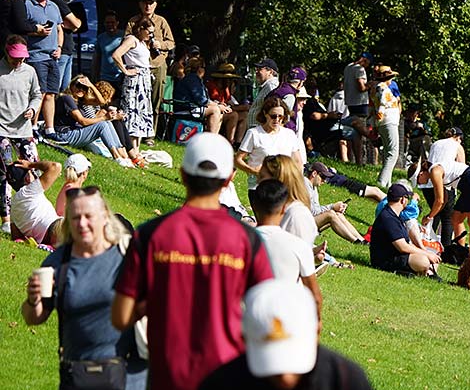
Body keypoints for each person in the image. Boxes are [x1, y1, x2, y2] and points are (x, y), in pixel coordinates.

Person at [111, 133, 274, 390]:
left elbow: (120, 317)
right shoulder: (247, 240)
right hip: (228, 374)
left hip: (167, 375)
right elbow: (269, 314)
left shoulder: (151, 234)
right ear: (229, 179)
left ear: (182, 175)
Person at [22, 186, 148, 389]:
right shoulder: (58, 263)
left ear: (105, 216)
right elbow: (34, 317)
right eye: (75, 218)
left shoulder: (128, 255)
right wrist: (32, 299)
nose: (82, 224)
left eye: (89, 216)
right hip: (79, 375)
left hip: (130, 375)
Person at [199, 280, 373, 390]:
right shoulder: (222, 383)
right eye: (270, 360)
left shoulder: (345, 379)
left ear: (317, 332)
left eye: (293, 357)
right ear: (244, 340)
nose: (285, 377)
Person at [250, 179, 323, 316]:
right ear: (284, 208)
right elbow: (315, 296)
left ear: (254, 204)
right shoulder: (298, 246)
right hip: (286, 320)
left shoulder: (239, 241)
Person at [420, 128, 470, 253]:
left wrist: (429, 216)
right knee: (455, 218)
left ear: (422, 172)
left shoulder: (435, 170)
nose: (419, 183)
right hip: (465, 186)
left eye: (418, 179)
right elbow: (442, 201)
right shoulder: (435, 171)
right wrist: (431, 216)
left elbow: (439, 200)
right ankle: (460, 251)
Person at [0, 37, 43, 234]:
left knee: (35, 169)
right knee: (6, 172)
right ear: (7, 53)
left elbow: (37, 94)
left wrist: (33, 110)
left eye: (22, 58)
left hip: (23, 129)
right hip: (1, 130)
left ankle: (36, 213)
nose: (19, 62)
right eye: (15, 58)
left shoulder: (29, 71)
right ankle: (7, 220)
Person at [236, 97, 304, 204]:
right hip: (259, 187)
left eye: (280, 116)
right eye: (273, 116)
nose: (277, 120)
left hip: (284, 187)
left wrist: (297, 183)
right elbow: (238, 160)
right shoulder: (254, 133)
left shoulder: (289, 134)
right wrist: (253, 171)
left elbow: (298, 162)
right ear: (265, 114)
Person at [124, 0, 173, 138]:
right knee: (135, 100)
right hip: (138, 66)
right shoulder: (133, 21)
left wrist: (160, 44)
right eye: (145, 2)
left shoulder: (161, 21)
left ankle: (150, 134)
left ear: (155, 5)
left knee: (155, 100)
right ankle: (133, 132)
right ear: (140, 4)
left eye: (151, 3)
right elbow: (125, 40)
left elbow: (171, 43)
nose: (148, 5)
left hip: (157, 65)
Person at [63, 74, 137, 166]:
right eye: (78, 86)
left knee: (108, 122)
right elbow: (83, 121)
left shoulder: (80, 100)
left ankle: (122, 155)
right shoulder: (67, 98)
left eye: (84, 87)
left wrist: (90, 85)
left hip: (77, 133)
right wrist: (103, 117)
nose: (80, 89)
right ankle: (118, 157)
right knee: (103, 124)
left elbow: (101, 102)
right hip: (66, 135)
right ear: (72, 85)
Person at [370, 183, 440, 277]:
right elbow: (402, 247)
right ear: (403, 200)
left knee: (430, 258)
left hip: (396, 255)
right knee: (423, 261)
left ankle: (425, 272)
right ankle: (419, 271)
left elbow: (406, 243)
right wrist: (426, 254)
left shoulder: (394, 215)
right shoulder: (388, 218)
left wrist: (426, 253)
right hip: (385, 260)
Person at [23, 0, 62, 136]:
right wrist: (36, 31)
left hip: (53, 56)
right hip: (35, 56)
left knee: (51, 93)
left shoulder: (54, 6)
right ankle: (32, 127)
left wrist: (59, 47)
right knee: (40, 92)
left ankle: (49, 128)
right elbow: (21, 28)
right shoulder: (27, 5)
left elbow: (60, 29)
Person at [111, 17, 154, 149]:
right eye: (149, 31)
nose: (151, 35)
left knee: (141, 114)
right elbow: (116, 55)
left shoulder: (142, 43)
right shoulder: (131, 39)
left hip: (144, 82)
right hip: (135, 82)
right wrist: (125, 70)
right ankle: (129, 147)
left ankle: (136, 149)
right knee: (132, 112)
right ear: (141, 29)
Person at [303, 162, 367, 244]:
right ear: (314, 174)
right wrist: (332, 207)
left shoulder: (313, 187)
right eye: (323, 177)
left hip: (309, 221)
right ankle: (355, 241)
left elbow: (316, 210)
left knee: (338, 214)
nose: (325, 181)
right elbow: (313, 212)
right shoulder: (304, 185)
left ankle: (362, 240)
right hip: (303, 224)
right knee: (331, 214)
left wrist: (334, 207)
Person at [172, 57, 228, 136]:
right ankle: (210, 140)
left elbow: (204, 99)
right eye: (203, 67)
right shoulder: (192, 79)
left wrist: (217, 104)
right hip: (187, 108)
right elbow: (201, 100)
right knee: (215, 110)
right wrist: (217, 105)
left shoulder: (196, 79)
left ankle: (213, 138)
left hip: (192, 106)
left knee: (219, 111)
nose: (204, 70)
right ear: (199, 69)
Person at [9, 157, 60, 243]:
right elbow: (55, 167)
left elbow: (16, 236)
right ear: (28, 178)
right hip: (57, 228)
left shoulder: (13, 205)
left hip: (45, 240)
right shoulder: (29, 191)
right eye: (31, 172)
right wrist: (30, 164)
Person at [48, 0, 80, 94]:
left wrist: (72, 24)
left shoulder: (57, 0)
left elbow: (75, 25)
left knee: (66, 89)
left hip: (67, 49)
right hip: (61, 50)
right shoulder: (57, 0)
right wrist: (73, 24)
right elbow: (76, 24)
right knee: (56, 87)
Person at [371, 65, 402, 188]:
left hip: (384, 122)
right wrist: (381, 114)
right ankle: (382, 182)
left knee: (388, 152)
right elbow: (383, 103)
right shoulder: (383, 88)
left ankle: (387, 183)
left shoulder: (377, 88)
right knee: (393, 152)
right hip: (388, 121)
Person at [342, 52, 372, 163]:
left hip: (350, 102)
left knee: (353, 132)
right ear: (365, 60)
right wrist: (370, 84)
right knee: (361, 133)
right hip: (360, 103)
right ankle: (360, 160)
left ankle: (353, 158)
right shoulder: (360, 69)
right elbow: (361, 87)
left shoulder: (348, 67)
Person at [266, 66, 306, 138]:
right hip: (282, 134)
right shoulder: (290, 95)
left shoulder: (276, 91)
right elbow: (282, 118)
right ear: (300, 82)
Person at [93, 11, 123, 90]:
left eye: (112, 22)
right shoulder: (101, 38)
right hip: (105, 77)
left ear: (117, 23)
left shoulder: (123, 37)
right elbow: (97, 58)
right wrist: (95, 75)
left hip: (120, 77)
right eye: (107, 22)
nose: (110, 25)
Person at [247, 58, 280, 129]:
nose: (257, 72)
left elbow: (272, 109)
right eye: (257, 69)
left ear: (270, 72)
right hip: (257, 129)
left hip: (262, 130)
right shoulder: (266, 86)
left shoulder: (271, 86)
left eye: (260, 69)